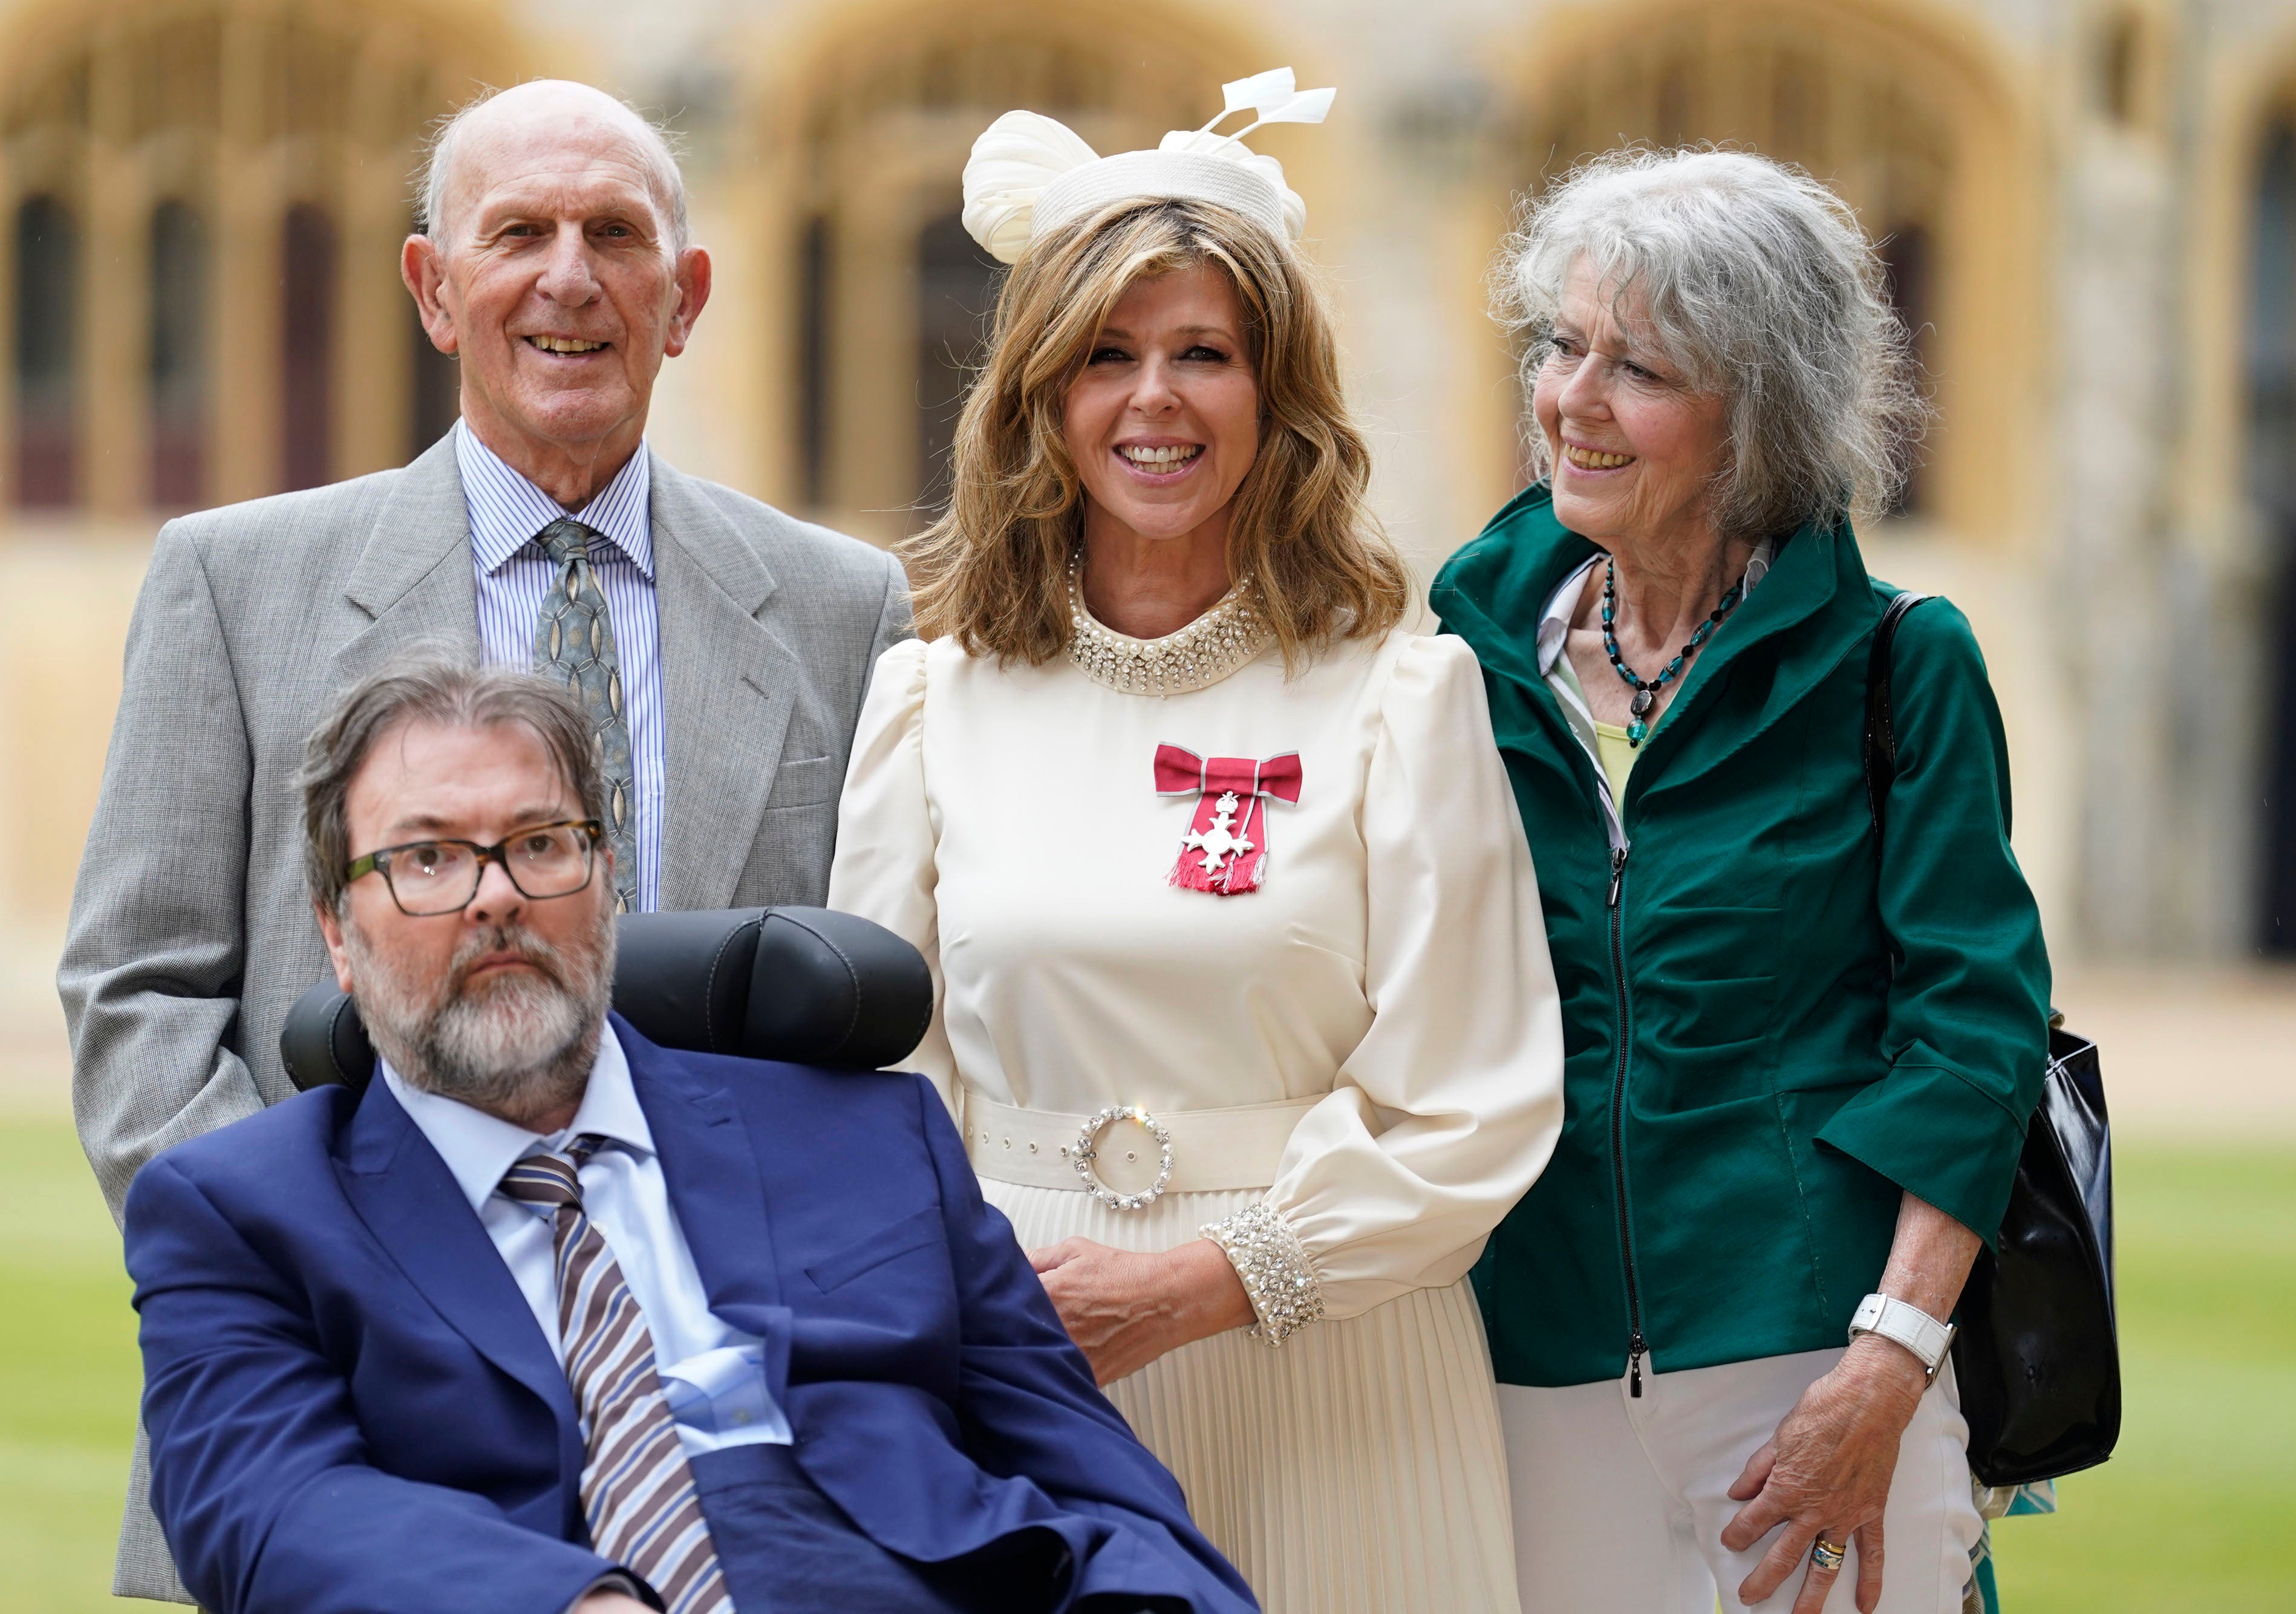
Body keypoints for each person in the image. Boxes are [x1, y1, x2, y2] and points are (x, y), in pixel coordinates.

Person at [60, 80, 907, 1600]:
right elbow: (139, 990)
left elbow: (857, 1017)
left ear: (687, 296)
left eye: (614, 235)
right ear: (432, 289)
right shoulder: (235, 581)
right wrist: (318, 1276)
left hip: (732, 1424)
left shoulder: (844, 609)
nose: (567, 277)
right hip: (345, 1409)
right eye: (515, 233)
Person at [829, 79, 1565, 1614]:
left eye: (1202, 356)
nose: (1151, 401)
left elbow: (1476, 1099)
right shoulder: (927, 700)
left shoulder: (1401, 695)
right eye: (1105, 356)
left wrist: (1211, 1282)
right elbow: (880, 1097)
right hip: (1021, 1365)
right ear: (1039, 393)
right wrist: (969, 1314)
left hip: (1340, 1368)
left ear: (1275, 393)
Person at [123, 652, 1254, 1614]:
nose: (495, 896)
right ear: (336, 930)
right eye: (427, 859)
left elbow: (1104, 1487)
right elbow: (270, 1506)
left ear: (604, 880)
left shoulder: (870, 1133)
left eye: (541, 843)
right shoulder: (245, 1209)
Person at [1429, 148, 2052, 1614]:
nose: (1573, 401)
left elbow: (1972, 1034)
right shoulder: (1456, 652)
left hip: (1812, 1361)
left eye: (1637, 366)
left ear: (1757, 410)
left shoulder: (1902, 660)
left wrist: (1887, 1365)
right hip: (1527, 1362)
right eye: (1561, 344)